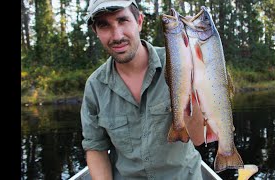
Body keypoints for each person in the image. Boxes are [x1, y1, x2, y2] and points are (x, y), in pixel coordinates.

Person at [80, 0, 205, 179]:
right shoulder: (95, 86)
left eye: (122, 20)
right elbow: (96, 148)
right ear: (96, 32)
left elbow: (199, 138)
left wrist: (193, 86)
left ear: (139, 21)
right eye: (104, 25)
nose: (116, 36)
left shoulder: (180, 64)